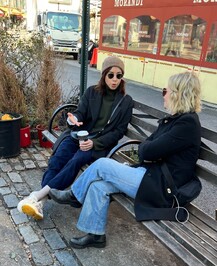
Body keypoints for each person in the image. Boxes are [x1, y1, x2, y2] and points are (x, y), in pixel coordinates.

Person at [48, 71, 202, 249]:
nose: (164, 95)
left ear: (178, 94)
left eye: (165, 91)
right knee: (99, 186)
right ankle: (96, 235)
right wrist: (147, 149)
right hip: (150, 176)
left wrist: (147, 149)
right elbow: (148, 147)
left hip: (161, 188)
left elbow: (147, 151)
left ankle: (74, 195)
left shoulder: (186, 124)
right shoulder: (177, 120)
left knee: (102, 165)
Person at [17, 56, 134, 220]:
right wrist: (75, 119)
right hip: (79, 136)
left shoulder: (126, 102)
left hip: (98, 144)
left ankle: (37, 196)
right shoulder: (92, 92)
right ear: (104, 75)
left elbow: (119, 131)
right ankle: (41, 203)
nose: (115, 79)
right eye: (111, 75)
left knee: (76, 160)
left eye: (119, 75)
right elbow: (81, 112)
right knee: (59, 158)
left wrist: (95, 142)